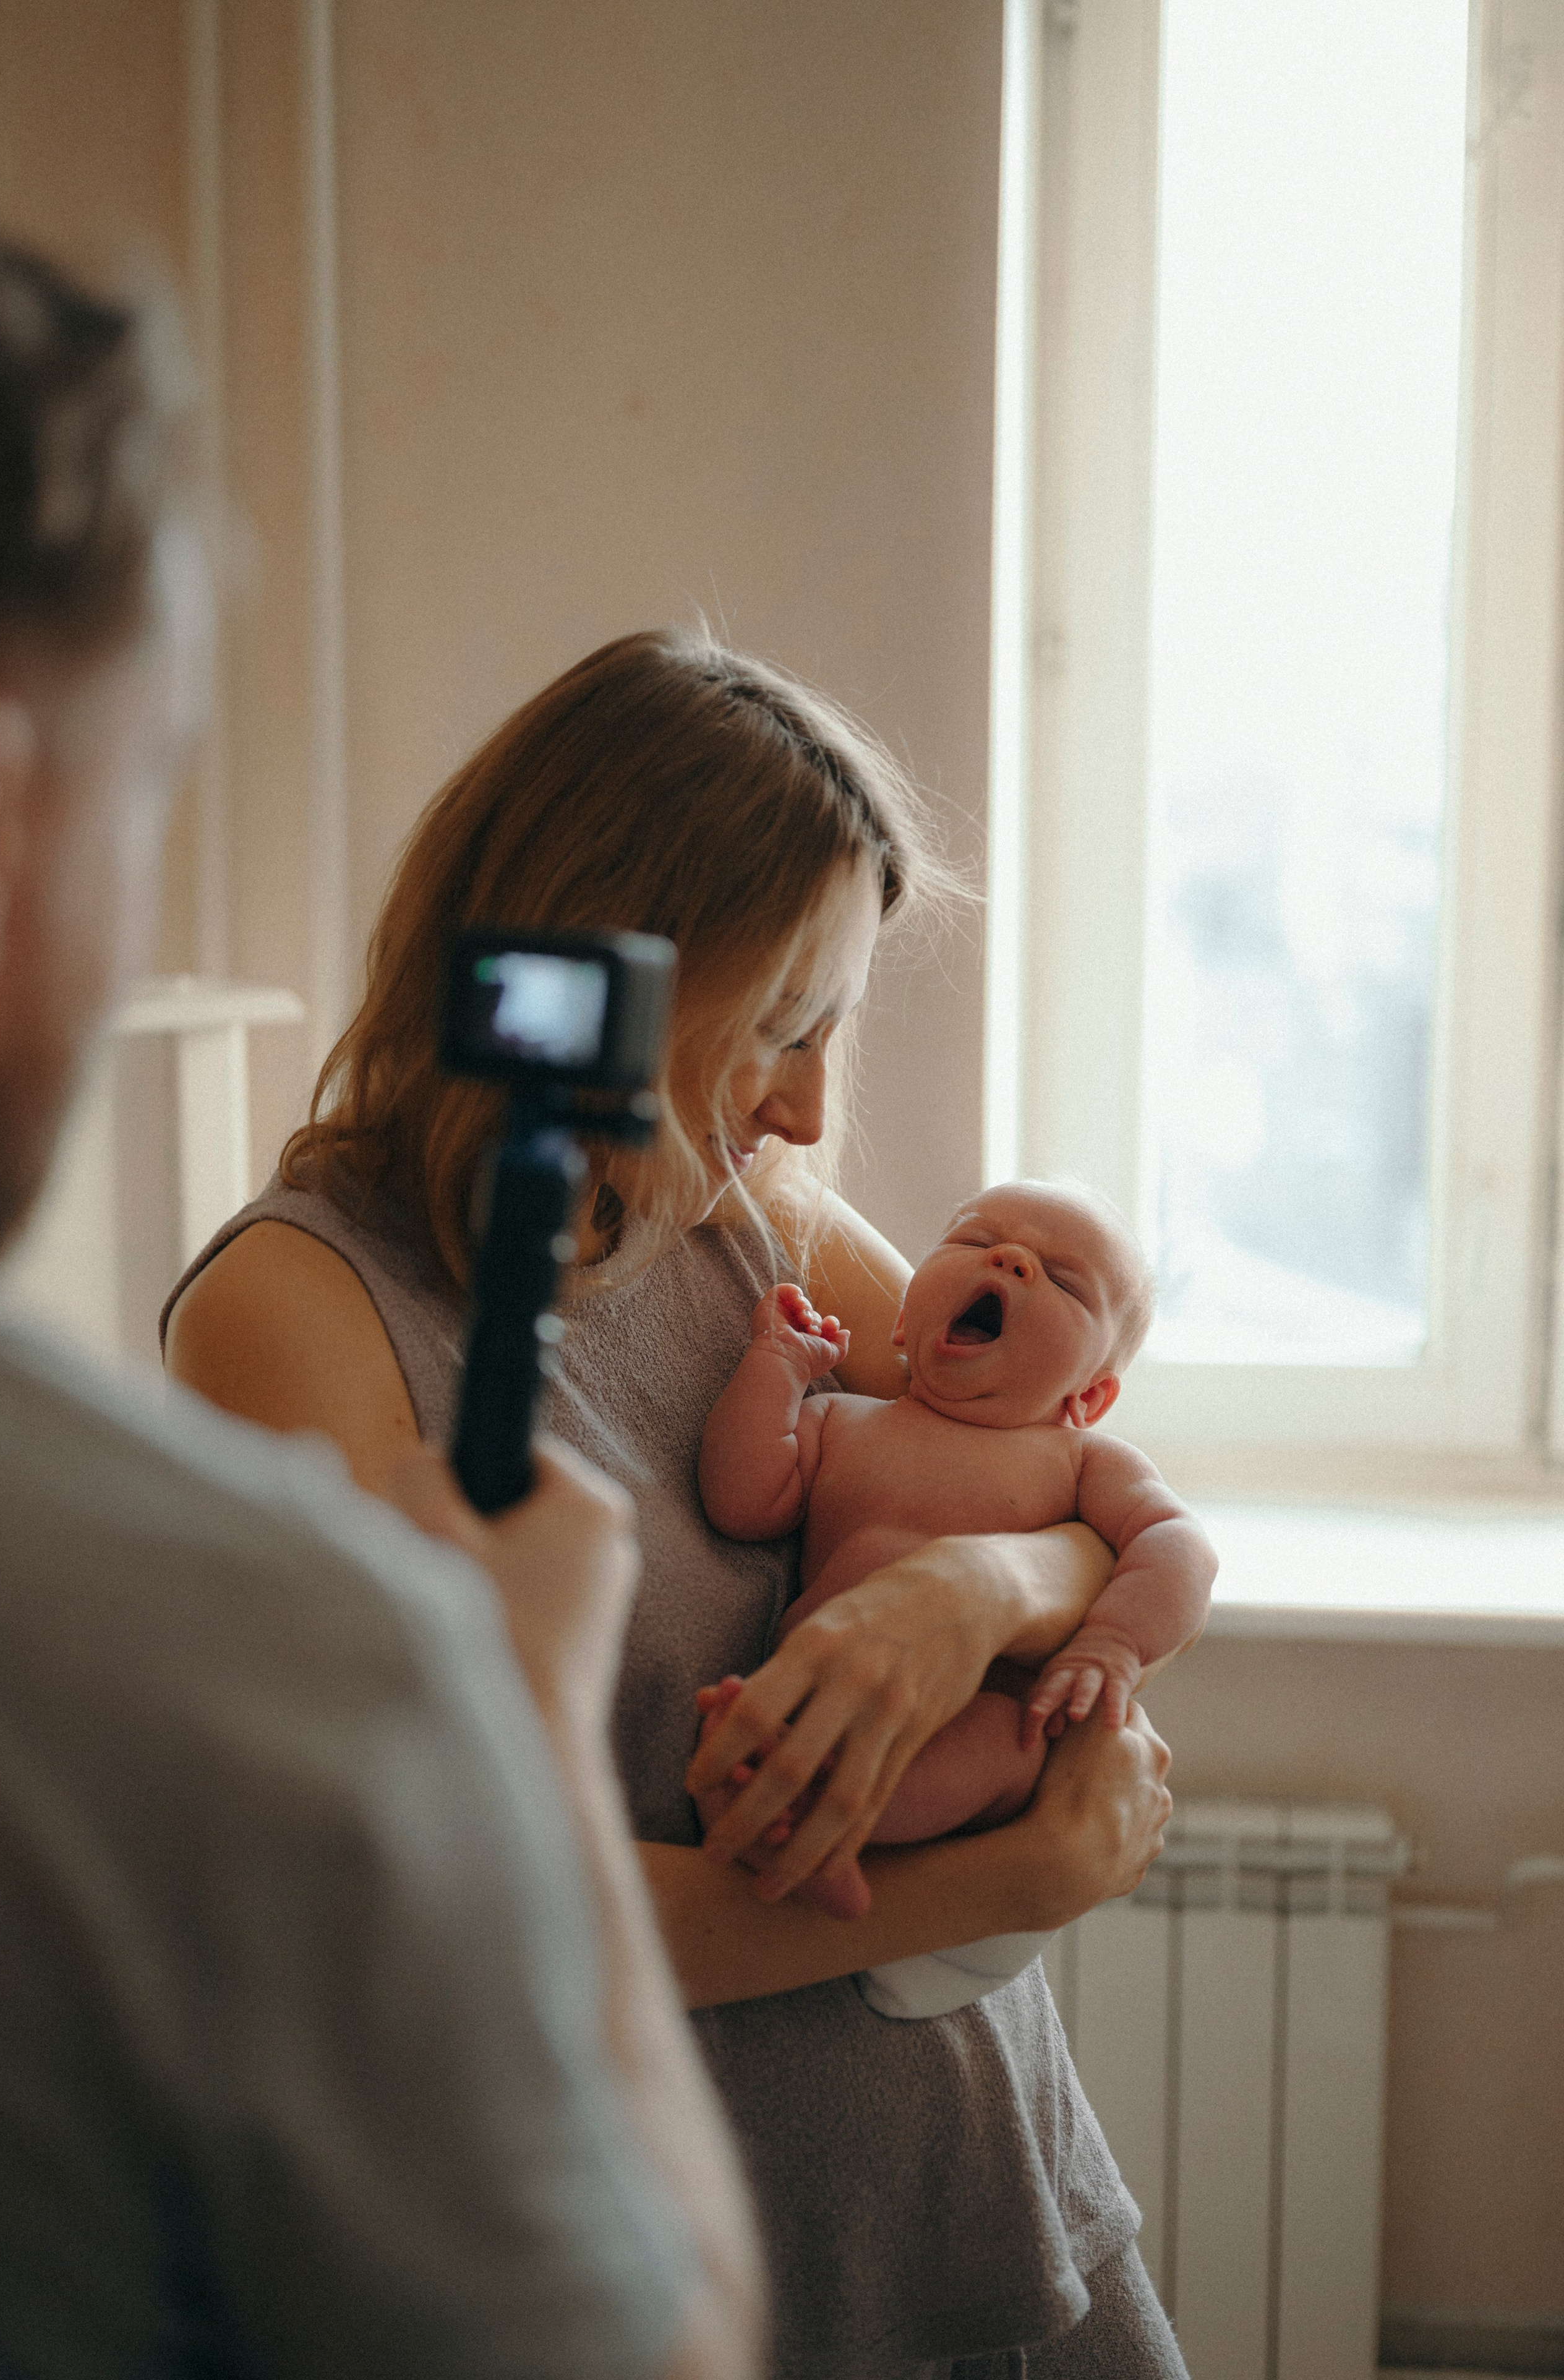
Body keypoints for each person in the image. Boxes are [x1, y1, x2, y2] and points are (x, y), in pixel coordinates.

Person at [165, 631, 1184, 2379]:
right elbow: (445, 1922)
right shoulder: (296, 1316)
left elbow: (1075, 1464)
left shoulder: (740, 1210)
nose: (802, 1105)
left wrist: (966, 1598)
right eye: (778, 1026)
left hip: (980, 2186)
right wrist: (1008, 1876)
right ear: (602, 965)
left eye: (830, 1030)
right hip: (677, 2286)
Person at [0, 231, 762, 2376]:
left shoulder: (736, 1231)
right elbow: (656, 2345)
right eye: (148, 784)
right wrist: (511, 1735)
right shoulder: (283, 1650)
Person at [692, 1178, 1215, 2018]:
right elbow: (743, 1499)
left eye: (1064, 1279)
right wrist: (776, 1369)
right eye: (977, 1239)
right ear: (902, 1323)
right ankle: (785, 1820)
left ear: (1090, 1395)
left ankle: (842, 1831)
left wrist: (1112, 1642)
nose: (1009, 1257)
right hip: (821, 1695)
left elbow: (1179, 1545)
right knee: (735, 1734)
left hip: (975, 1718)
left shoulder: (1079, 1462)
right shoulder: (841, 1424)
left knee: (1003, 1742)